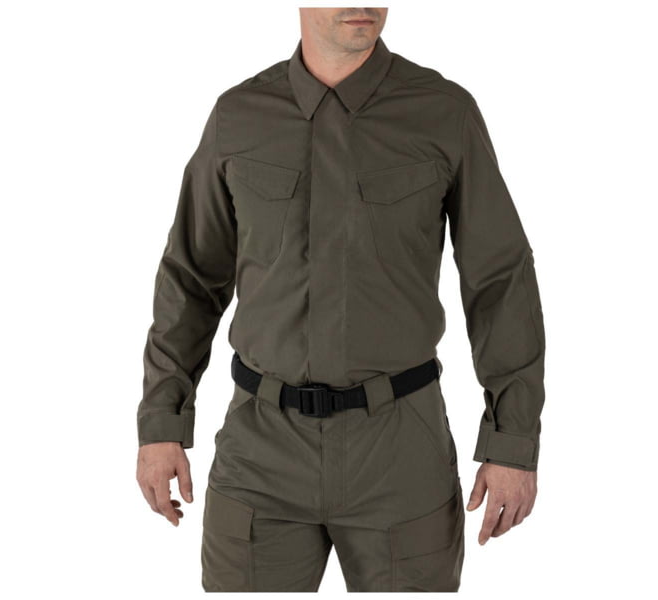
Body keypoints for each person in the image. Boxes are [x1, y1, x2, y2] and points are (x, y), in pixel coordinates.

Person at [135, 7, 546, 592]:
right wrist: (162, 421)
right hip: (261, 448)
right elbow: (192, 279)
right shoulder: (238, 117)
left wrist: (512, 441)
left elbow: (500, 281)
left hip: (400, 450)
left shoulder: (444, 113)